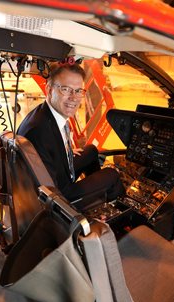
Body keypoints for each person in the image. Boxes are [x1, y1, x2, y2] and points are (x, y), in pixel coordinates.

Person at [17, 64, 124, 209]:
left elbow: (47, 155)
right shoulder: (39, 131)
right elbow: (50, 192)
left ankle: (96, 197)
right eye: (66, 89)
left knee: (91, 150)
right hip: (58, 196)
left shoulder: (45, 114)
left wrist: (64, 150)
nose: (74, 98)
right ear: (49, 89)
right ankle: (120, 213)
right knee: (112, 175)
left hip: (56, 172)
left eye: (78, 91)